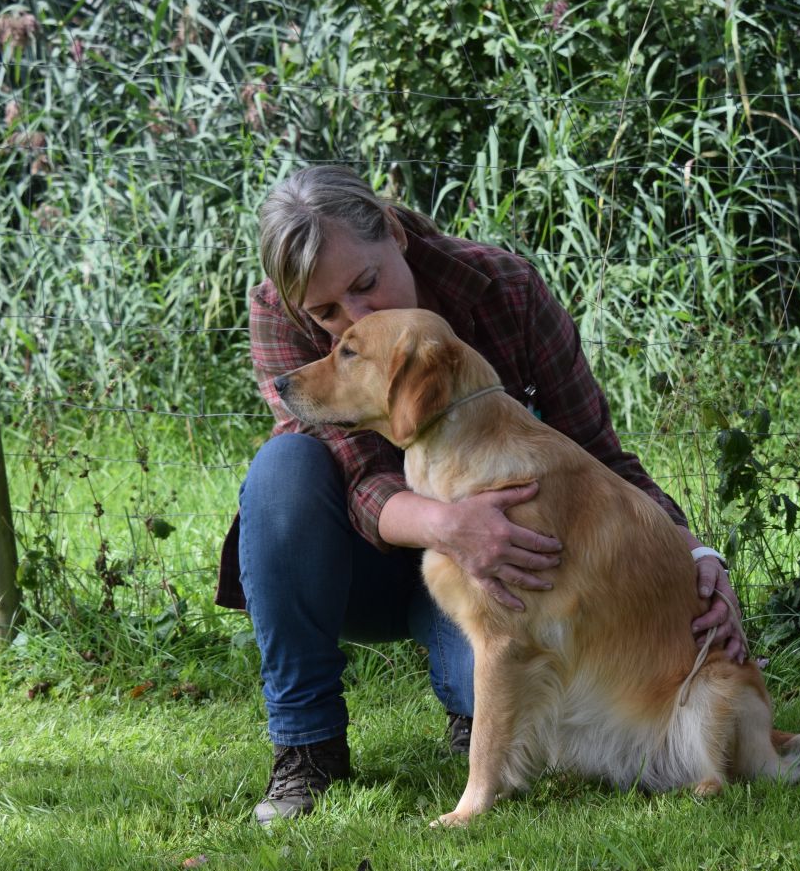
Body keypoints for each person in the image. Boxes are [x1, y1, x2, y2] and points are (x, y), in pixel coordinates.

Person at [214, 165, 748, 824]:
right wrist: (450, 526)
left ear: (393, 232)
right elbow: (356, 474)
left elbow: (598, 458)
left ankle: (476, 722)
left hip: (492, 573)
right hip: (352, 563)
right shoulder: (279, 309)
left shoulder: (504, 288)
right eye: (328, 313)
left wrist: (696, 554)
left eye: (366, 283)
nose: (359, 316)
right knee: (283, 466)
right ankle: (307, 747)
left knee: (488, 681)